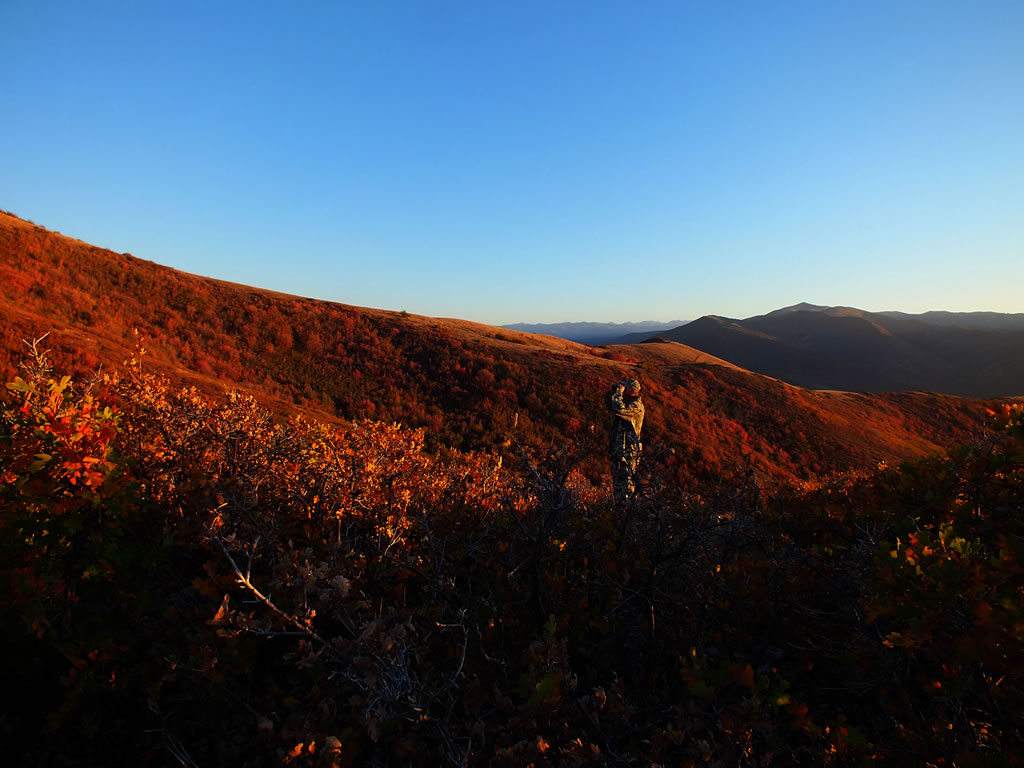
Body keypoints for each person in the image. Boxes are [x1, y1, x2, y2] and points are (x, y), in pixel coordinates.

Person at [607, 378, 644, 503]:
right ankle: (618, 507)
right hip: (620, 450)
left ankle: (626, 511)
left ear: (632, 391)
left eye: (625, 387)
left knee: (627, 483)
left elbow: (618, 409)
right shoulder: (628, 402)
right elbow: (611, 406)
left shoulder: (636, 406)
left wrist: (618, 392)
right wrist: (615, 392)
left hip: (628, 452)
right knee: (617, 483)